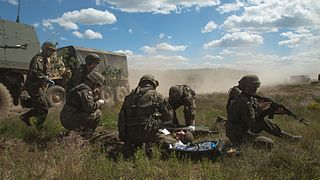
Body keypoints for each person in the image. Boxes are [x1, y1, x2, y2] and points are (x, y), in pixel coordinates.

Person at [226, 75, 302, 149]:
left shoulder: (248, 98)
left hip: (242, 128)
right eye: (254, 87)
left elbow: (255, 116)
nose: (255, 89)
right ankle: (237, 144)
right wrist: (260, 108)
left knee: (263, 122)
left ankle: (289, 138)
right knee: (268, 144)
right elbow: (252, 122)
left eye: (256, 87)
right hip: (237, 134)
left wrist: (271, 111)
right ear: (247, 87)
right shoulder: (243, 101)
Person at [118, 74, 173, 157]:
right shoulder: (156, 95)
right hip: (148, 134)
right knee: (172, 142)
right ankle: (151, 147)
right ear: (153, 84)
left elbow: (121, 118)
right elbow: (169, 116)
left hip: (130, 135)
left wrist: (124, 137)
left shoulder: (129, 97)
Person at [20, 41, 56, 129]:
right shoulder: (39, 58)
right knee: (44, 108)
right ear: (44, 49)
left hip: (37, 85)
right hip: (34, 85)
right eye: (50, 50)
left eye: (53, 51)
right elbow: (35, 72)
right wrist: (45, 79)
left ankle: (25, 117)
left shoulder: (45, 59)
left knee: (46, 104)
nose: (52, 52)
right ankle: (39, 128)